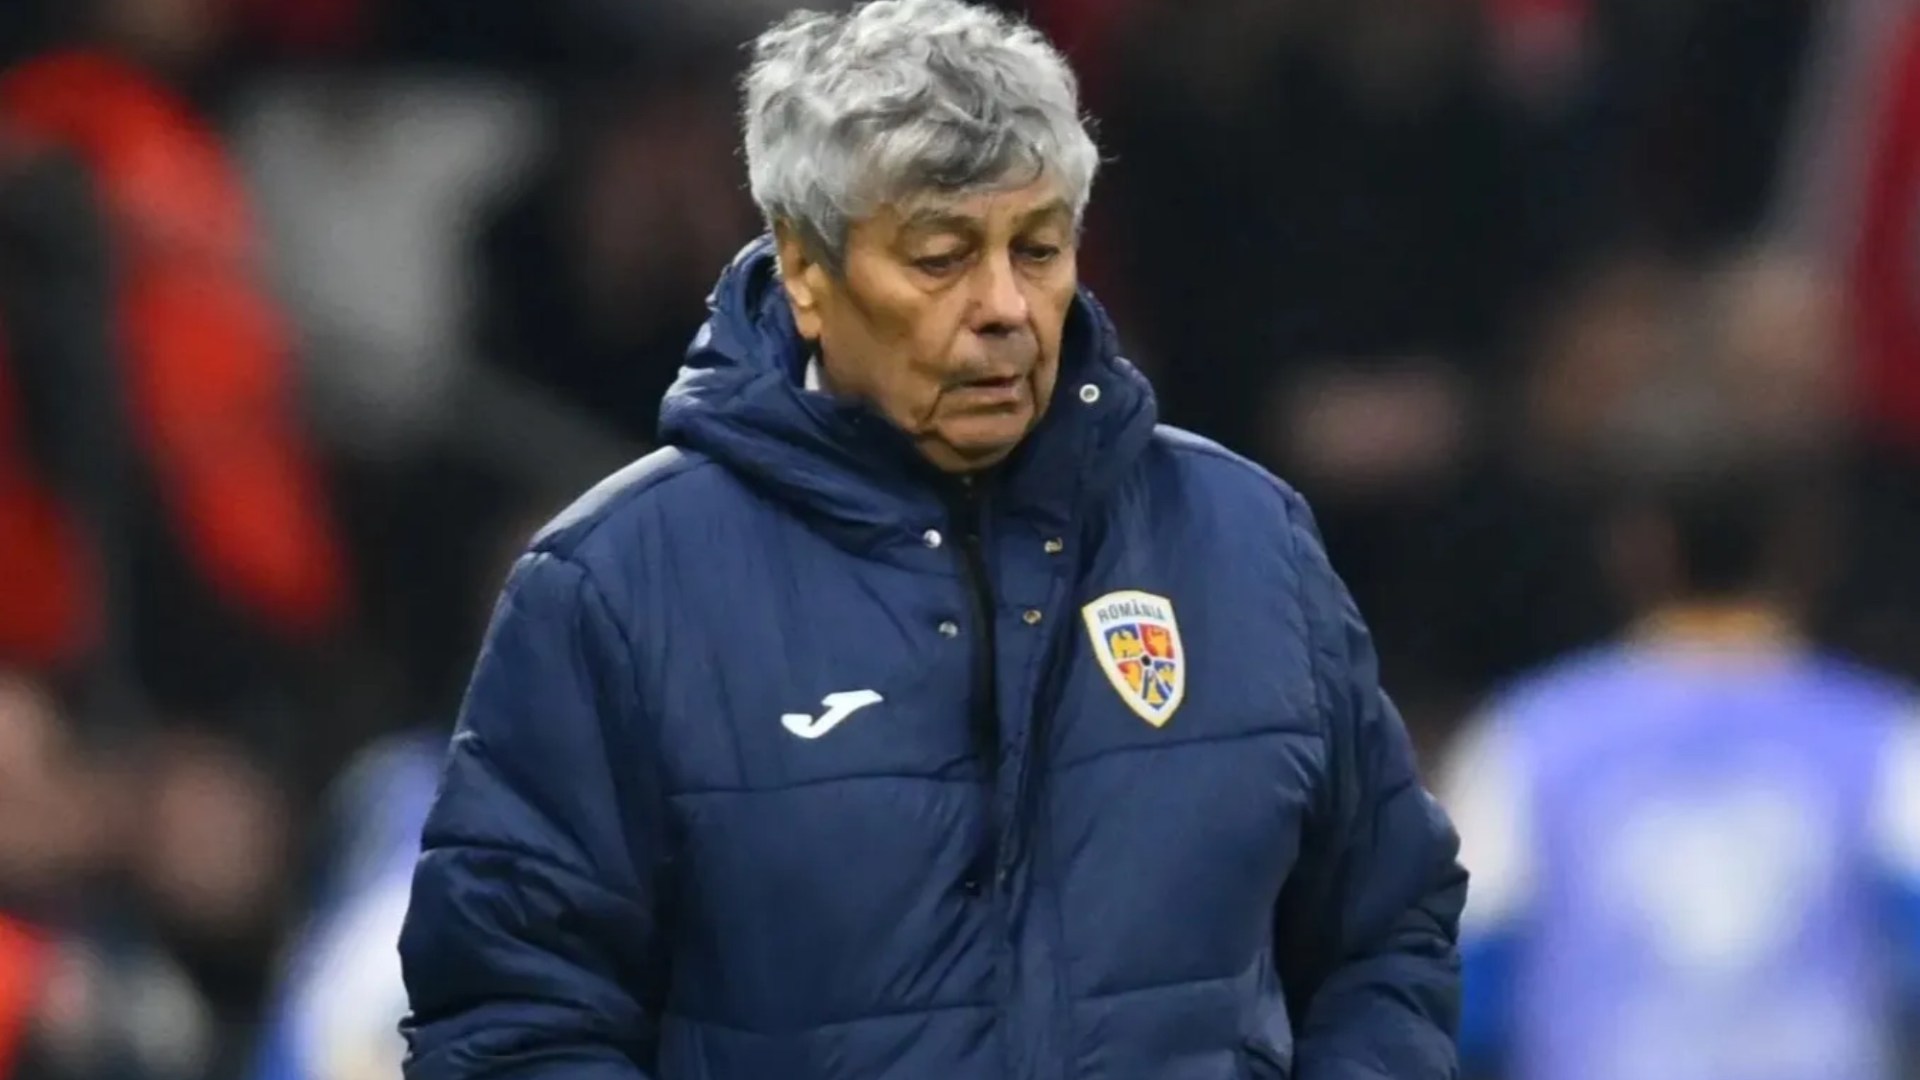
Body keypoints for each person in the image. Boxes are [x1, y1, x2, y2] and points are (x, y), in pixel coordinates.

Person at [398, 2, 1466, 1078]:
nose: (1005, 307)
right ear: (806, 271)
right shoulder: (614, 590)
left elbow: (1386, 933)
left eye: (1037, 249)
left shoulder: (1249, 545)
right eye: (942, 257)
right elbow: (513, 1019)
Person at [1440, 443, 1920, 1080]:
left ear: (1634, 548)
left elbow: (1462, 991)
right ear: (1807, 545)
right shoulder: (1881, 737)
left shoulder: (1528, 740)